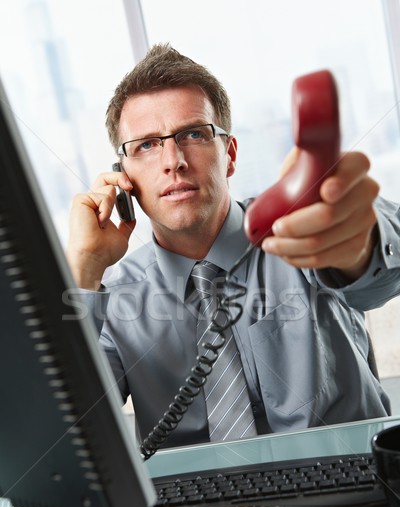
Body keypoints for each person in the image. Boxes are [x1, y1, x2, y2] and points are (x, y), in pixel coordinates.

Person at [66, 43, 400, 451]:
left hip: (347, 496)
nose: (173, 160)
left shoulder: (298, 227)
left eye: (193, 134)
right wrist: (82, 271)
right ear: (123, 176)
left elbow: (379, 274)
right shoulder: (113, 294)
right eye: (147, 145)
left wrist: (357, 242)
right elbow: (69, 425)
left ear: (230, 155)